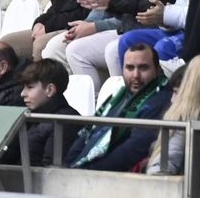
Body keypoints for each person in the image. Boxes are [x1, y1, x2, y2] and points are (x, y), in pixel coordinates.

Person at [65, 42, 172, 170]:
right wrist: (71, 164)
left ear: (157, 70)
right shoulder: (119, 97)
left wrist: (87, 171)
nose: (135, 75)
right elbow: (88, 131)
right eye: (130, 68)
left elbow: (134, 150)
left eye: (143, 68)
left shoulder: (161, 100)